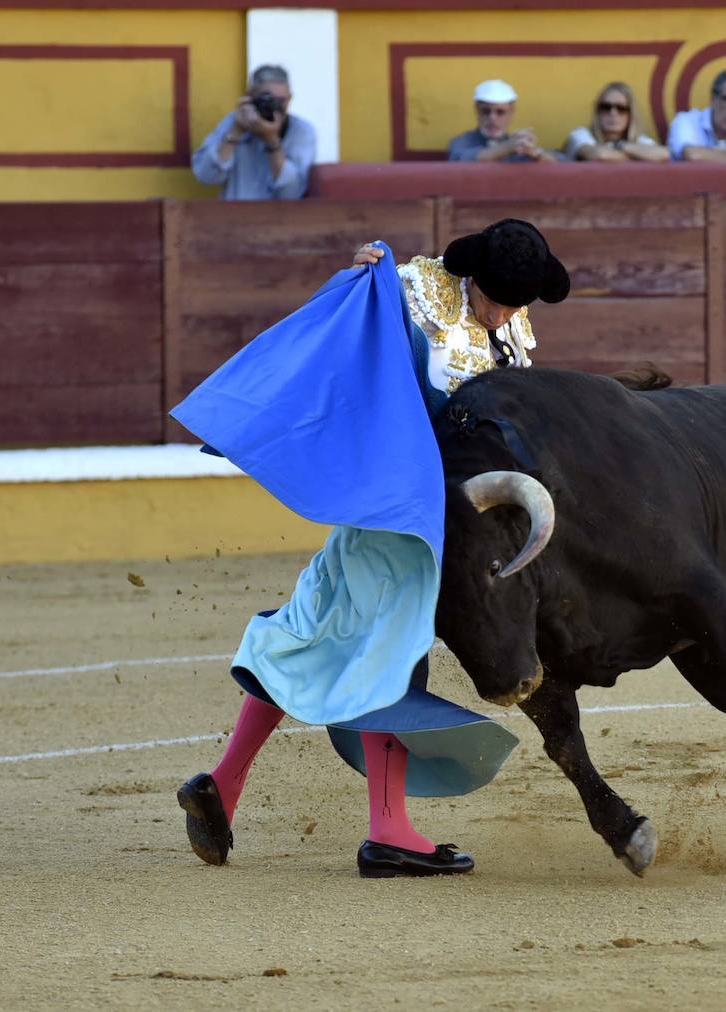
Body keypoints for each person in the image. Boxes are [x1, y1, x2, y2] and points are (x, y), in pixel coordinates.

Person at [172, 219, 570, 878]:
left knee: (315, 635)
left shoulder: (514, 324)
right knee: (392, 659)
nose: (501, 313)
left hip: (426, 514)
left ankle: (223, 784)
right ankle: (388, 831)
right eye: (493, 299)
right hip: (399, 513)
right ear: (470, 277)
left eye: (513, 303)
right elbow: (355, 313)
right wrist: (368, 266)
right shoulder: (416, 293)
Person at [191, 64, 317, 199]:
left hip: (280, 218)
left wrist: (272, 141)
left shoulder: (301, 131)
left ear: (290, 98)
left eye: (280, 101)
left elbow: (291, 192)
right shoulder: (234, 121)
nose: (274, 106)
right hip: (236, 216)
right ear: (250, 96)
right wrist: (236, 131)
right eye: (267, 99)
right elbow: (206, 176)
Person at [447, 79, 559, 162]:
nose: (492, 118)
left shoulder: (519, 144)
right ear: (477, 111)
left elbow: (561, 162)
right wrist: (509, 147)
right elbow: (463, 159)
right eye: (486, 111)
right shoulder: (462, 141)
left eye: (500, 112)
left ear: (511, 113)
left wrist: (535, 153)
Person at [564, 82, 668, 162]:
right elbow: (600, 156)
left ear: (631, 114)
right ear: (598, 112)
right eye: (606, 107)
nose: (613, 113)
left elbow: (663, 154)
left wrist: (620, 145)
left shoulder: (639, 140)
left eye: (621, 108)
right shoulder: (580, 134)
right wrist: (640, 156)